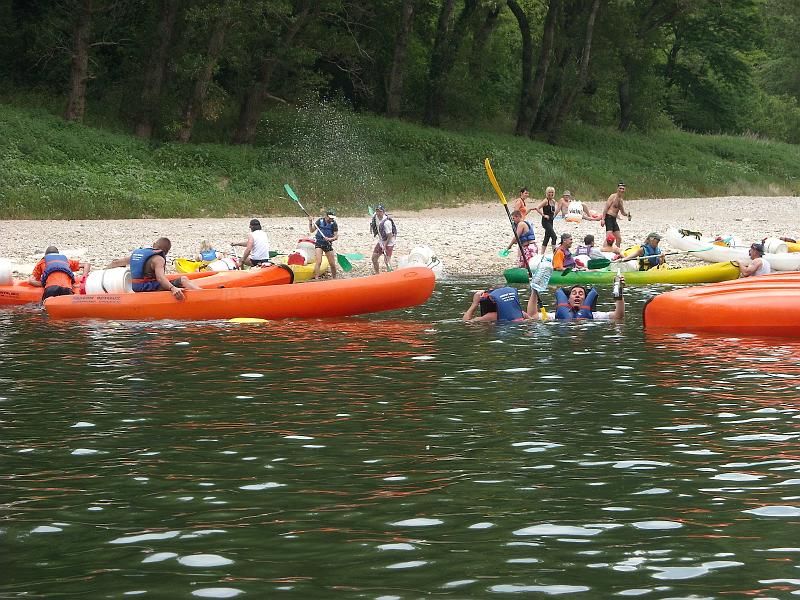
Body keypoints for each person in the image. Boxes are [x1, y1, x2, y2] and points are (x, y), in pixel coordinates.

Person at [109, 237, 200, 300]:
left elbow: (116, 263)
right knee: (183, 280)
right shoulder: (159, 259)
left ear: (154, 244)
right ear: (166, 252)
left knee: (173, 280)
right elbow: (160, 278)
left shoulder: (137, 254)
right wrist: (173, 288)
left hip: (136, 288)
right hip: (149, 288)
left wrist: (101, 272)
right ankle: (204, 295)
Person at [551, 281, 625, 321]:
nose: (577, 295)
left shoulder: (594, 315)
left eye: (581, 293)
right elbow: (538, 316)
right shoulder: (556, 316)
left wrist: (619, 291)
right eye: (574, 293)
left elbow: (618, 315)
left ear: (586, 299)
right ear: (568, 299)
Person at [463, 287, 530, 323]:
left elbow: (466, 321)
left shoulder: (491, 316)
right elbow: (532, 320)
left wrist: (474, 304)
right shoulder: (521, 313)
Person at [310, 209, 339, 280]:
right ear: (326, 216)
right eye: (330, 217)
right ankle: (316, 278)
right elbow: (311, 230)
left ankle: (334, 278)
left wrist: (329, 239)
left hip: (327, 245)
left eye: (332, 218)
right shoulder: (320, 221)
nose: (331, 219)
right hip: (319, 244)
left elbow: (336, 237)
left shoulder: (334, 224)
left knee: (332, 264)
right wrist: (310, 222)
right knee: (318, 261)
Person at [601, 182, 631, 246]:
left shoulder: (621, 200)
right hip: (608, 217)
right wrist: (603, 219)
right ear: (617, 189)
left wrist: (627, 215)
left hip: (614, 219)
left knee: (619, 238)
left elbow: (622, 212)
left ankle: (617, 252)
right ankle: (604, 250)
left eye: (623, 189)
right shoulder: (613, 196)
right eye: (620, 188)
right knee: (608, 237)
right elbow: (606, 208)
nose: (621, 190)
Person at [371, 204, 397, 274]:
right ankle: (377, 274)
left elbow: (390, 235)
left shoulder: (387, 222)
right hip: (381, 241)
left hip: (389, 243)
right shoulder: (375, 216)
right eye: (377, 211)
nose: (378, 213)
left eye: (380, 211)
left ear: (383, 212)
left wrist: (385, 246)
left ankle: (391, 275)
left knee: (387, 261)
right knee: (374, 258)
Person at [533, 186, 558, 254]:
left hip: (551, 221)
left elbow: (553, 211)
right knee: (554, 236)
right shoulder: (545, 200)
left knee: (547, 237)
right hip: (545, 221)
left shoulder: (553, 201)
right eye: (549, 192)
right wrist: (543, 215)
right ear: (547, 193)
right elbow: (537, 208)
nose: (551, 194)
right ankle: (555, 253)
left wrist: (553, 216)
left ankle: (542, 253)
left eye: (552, 192)